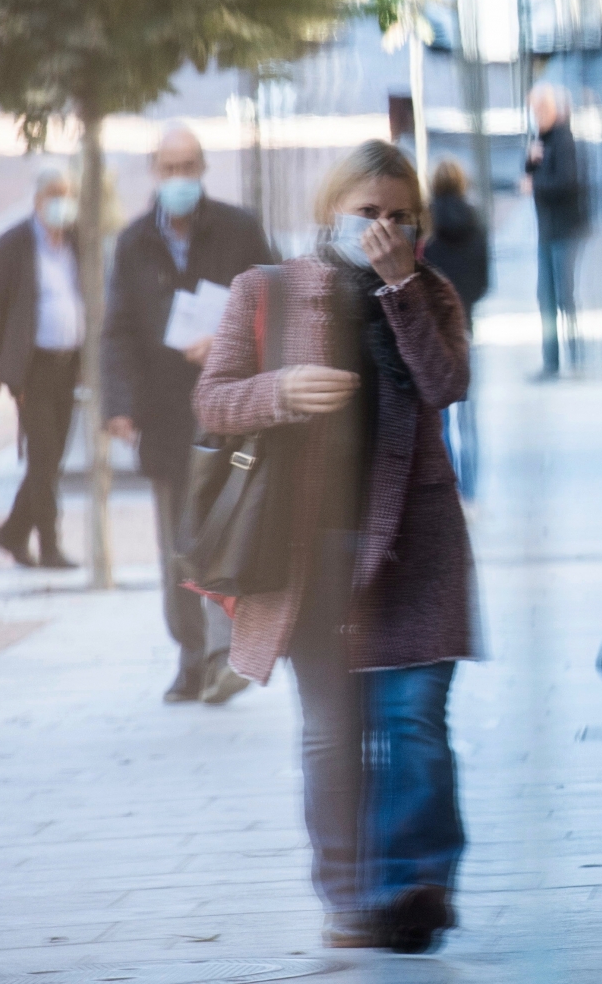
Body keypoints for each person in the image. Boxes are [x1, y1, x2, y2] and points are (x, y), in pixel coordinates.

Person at [193, 139, 479, 953]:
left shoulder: (432, 292)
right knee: (331, 727)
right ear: (331, 213)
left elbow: (447, 385)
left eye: (400, 216)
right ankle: (350, 893)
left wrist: (400, 292)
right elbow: (213, 402)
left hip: (415, 543)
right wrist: (279, 392)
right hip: (307, 546)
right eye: (368, 214)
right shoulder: (268, 290)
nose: (384, 229)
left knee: (416, 718)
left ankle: (419, 881)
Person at [102, 123, 273, 705]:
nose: (179, 179)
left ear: (203, 169)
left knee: (225, 531)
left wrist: (229, 340)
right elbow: (118, 330)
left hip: (229, 412)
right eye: (169, 168)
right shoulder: (132, 244)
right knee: (177, 545)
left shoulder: (239, 230)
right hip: (166, 416)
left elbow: (275, 307)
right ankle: (192, 656)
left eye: (189, 167)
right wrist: (119, 406)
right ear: (155, 170)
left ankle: (227, 656)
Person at [0, 168, 83, 570]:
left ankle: (13, 533)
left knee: (50, 459)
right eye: (54, 194)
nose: (61, 202)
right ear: (38, 200)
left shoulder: (77, 241)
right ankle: (50, 546)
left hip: (69, 365)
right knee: (43, 457)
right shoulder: (14, 245)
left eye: (67, 194)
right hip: (31, 368)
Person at [423, 158, 489, 498]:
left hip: (433, 330)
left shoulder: (425, 227)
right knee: (470, 416)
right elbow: (484, 281)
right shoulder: (477, 223)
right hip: (466, 326)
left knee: (441, 419)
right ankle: (473, 492)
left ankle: (450, 491)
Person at [526, 78, 585, 379]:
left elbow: (567, 182)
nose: (537, 114)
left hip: (564, 230)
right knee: (546, 295)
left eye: (540, 108)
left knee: (564, 295)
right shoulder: (543, 138)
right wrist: (531, 162)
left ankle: (575, 357)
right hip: (547, 231)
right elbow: (531, 175)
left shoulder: (563, 139)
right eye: (533, 109)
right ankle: (552, 361)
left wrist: (535, 184)